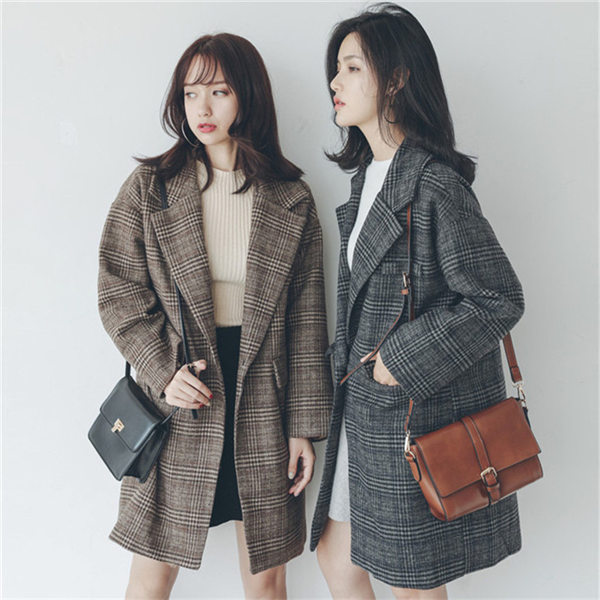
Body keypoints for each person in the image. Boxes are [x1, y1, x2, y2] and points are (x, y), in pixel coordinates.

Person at [98, 32, 332, 599]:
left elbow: (307, 323)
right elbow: (118, 291)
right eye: (190, 93)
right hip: (182, 394)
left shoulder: (291, 198)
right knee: (151, 576)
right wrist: (162, 370)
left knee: (267, 579)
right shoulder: (151, 189)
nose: (202, 107)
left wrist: (302, 427)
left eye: (219, 92)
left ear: (248, 96)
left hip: (263, 398)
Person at [310, 4, 525, 599]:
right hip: (363, 417)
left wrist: (400, 359)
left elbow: (498, 298)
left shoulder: (433, 184)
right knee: (337, 559)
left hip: (412, 420)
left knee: (412, 585)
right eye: (337, 68)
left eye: (353, 67)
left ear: (397, 79)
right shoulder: (366, 181)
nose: (335, 81)